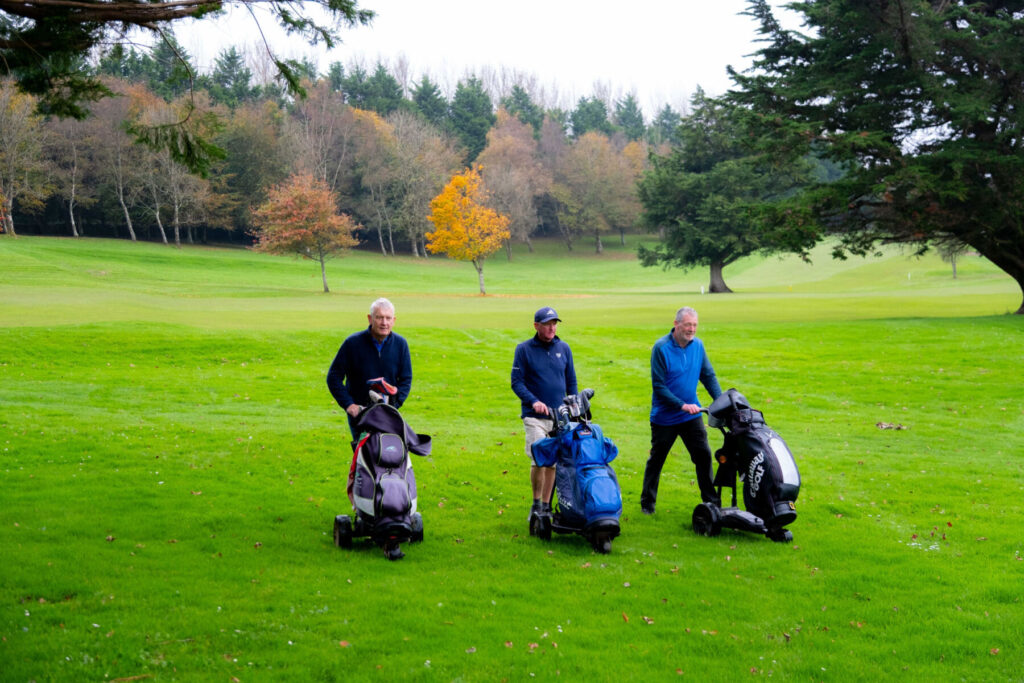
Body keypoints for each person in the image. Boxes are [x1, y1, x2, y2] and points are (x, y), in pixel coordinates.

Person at [641, 306, 723, 515]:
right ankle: (647, 505)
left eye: (695, 325)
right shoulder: (661, 348)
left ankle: (711, 504)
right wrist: (681, 405)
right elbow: (659, 387)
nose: (692, 329)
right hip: (665, 417)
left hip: (691, 416)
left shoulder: (698, 346)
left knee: (703, 455)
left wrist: (721, 401)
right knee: (657, 460)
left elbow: (708, 376)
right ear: (676, 324)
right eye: (688, 325)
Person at [511, 306, 577, 533]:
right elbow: (517, 382)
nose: (552, 327)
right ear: (536, 325)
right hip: (535, 417)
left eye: (555, 323)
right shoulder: (524, 350)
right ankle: (536, 502)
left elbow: (571, 383)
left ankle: (547, 505)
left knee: (554, 463)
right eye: (547, 323)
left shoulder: (564, 348)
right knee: (540, 459)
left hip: (560, 417)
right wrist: (533, 401)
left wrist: (573, 406)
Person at [327, 298, 413, 442]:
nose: (384, 323)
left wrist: (394, 406)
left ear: (394, 320)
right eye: (379, 317)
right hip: (360, 415)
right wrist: (349, 405)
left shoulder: (401, 344)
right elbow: (333, 377)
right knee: (364, 458)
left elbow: (406, 380)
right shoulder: (352, 343)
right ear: (370, 318)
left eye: (388, 318)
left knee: (387, 456)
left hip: (388, 414)